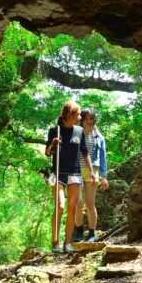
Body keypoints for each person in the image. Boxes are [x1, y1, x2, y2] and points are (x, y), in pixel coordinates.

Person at [46, 101, 96, 254]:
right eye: (78, 114)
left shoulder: (80, 131)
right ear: (69, 115)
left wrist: (91, 172)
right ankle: (55, 242)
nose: (80, 117)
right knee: (60, 206)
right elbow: (47, 153)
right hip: (58, 173)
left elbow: (85, 153)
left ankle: (67, 243)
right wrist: (52, 144)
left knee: (72, 207)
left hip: (75, 173)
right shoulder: (55, 130)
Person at [73, 109, 109, 242]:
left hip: (92, 170)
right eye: (86, 118)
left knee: (89, 203)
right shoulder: (76, 133)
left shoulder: (99, 137)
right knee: (78, 202)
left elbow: (103, 158)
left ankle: (92, 233)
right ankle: (79, 231)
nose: (89, 121)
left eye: (92, 119)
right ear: (81, 120)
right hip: (76, 170)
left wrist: (104, 176)